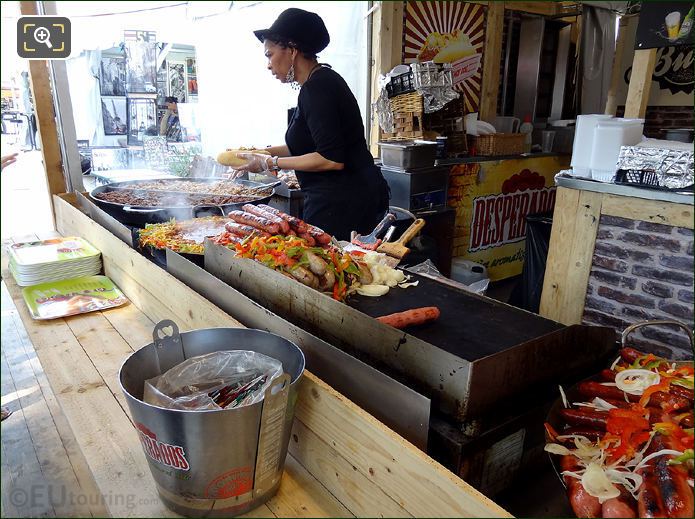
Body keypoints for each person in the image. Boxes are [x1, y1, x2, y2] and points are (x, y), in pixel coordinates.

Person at [236, 8, 389, 241]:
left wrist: (270, 163)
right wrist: (258, 153)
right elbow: (308, 144)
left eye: (270, 54)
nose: (268, 64)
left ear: (292, 50)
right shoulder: (318, 83)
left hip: (343, 203)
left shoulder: (318, 88)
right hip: (341, 198)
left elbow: (331, 158)